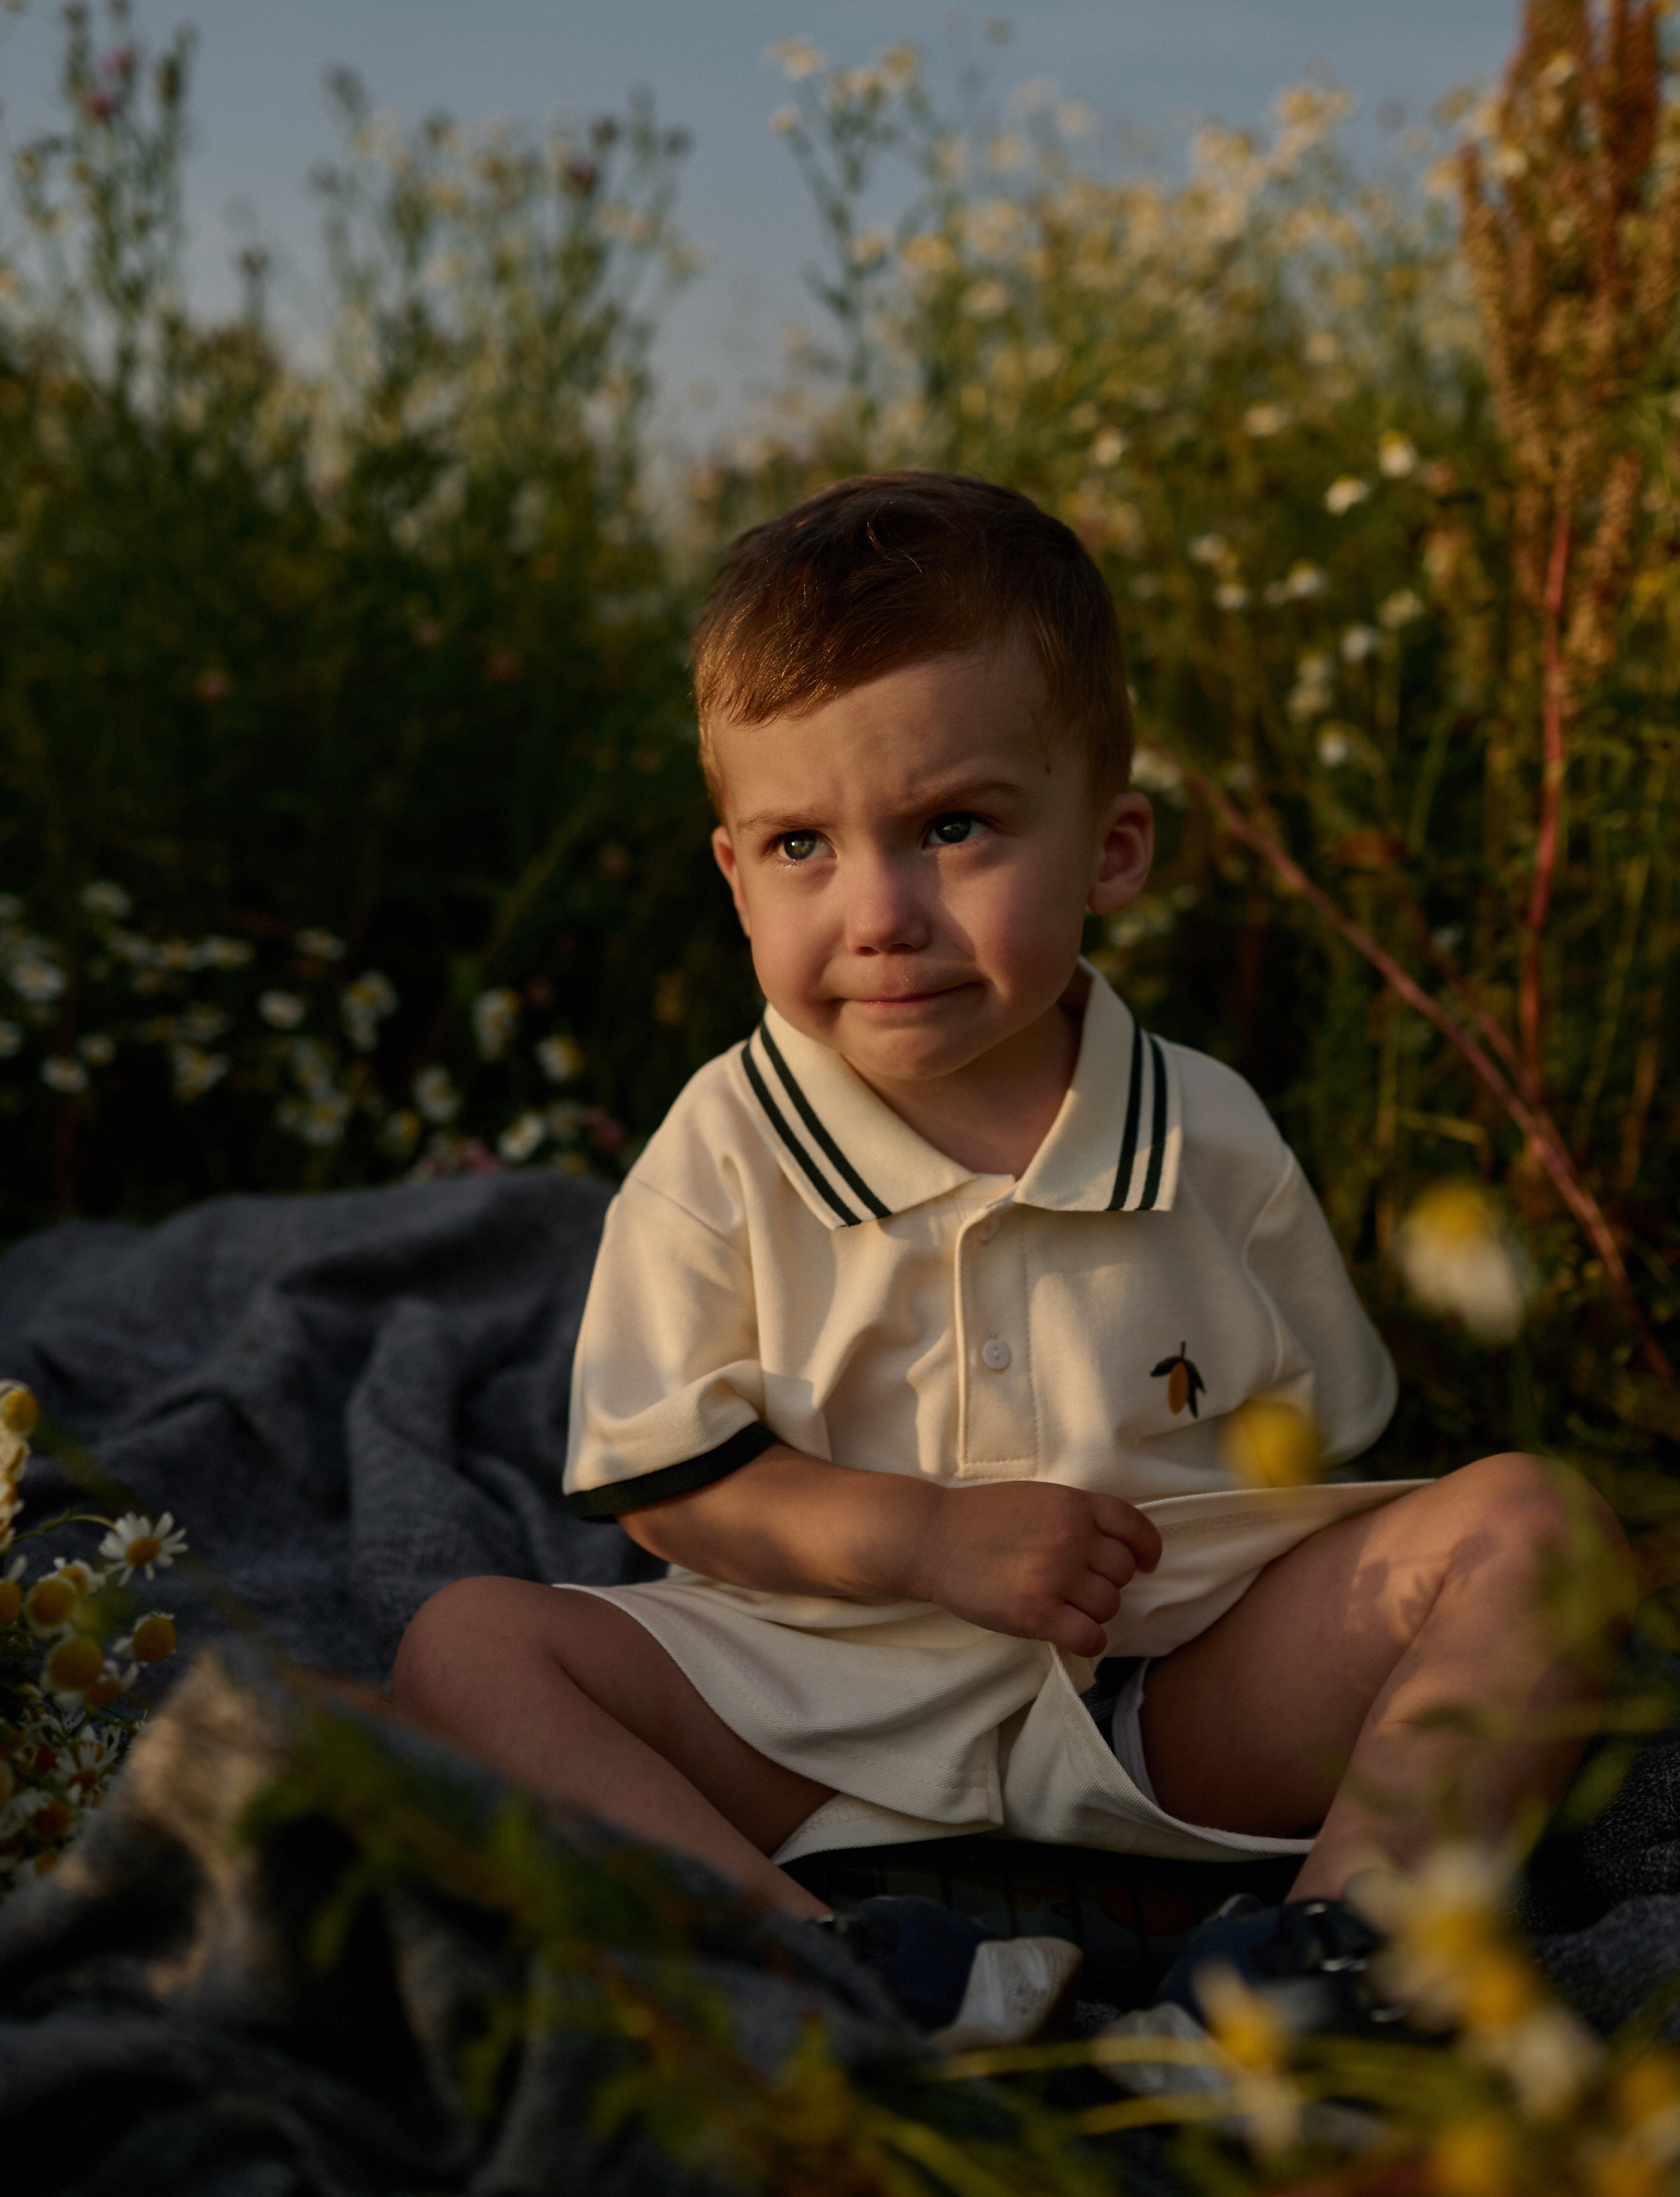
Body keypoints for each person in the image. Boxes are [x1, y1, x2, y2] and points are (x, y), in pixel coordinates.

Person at [394, 472, 1633, 2050]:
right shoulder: (722, 1149)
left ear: (1110, 849)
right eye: (800, 843)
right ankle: (836, 1970)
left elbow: (1315, 1442)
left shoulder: (1205, 1133)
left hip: (1164, 1700)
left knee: (1537, 1525)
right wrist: (920, 1536)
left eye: (952, 827)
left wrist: (1249, 1609)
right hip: (804, 1707)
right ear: (732, 874)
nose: (879, 912)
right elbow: (667, 1480)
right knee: (468, 1647)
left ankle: (1334, 1954)